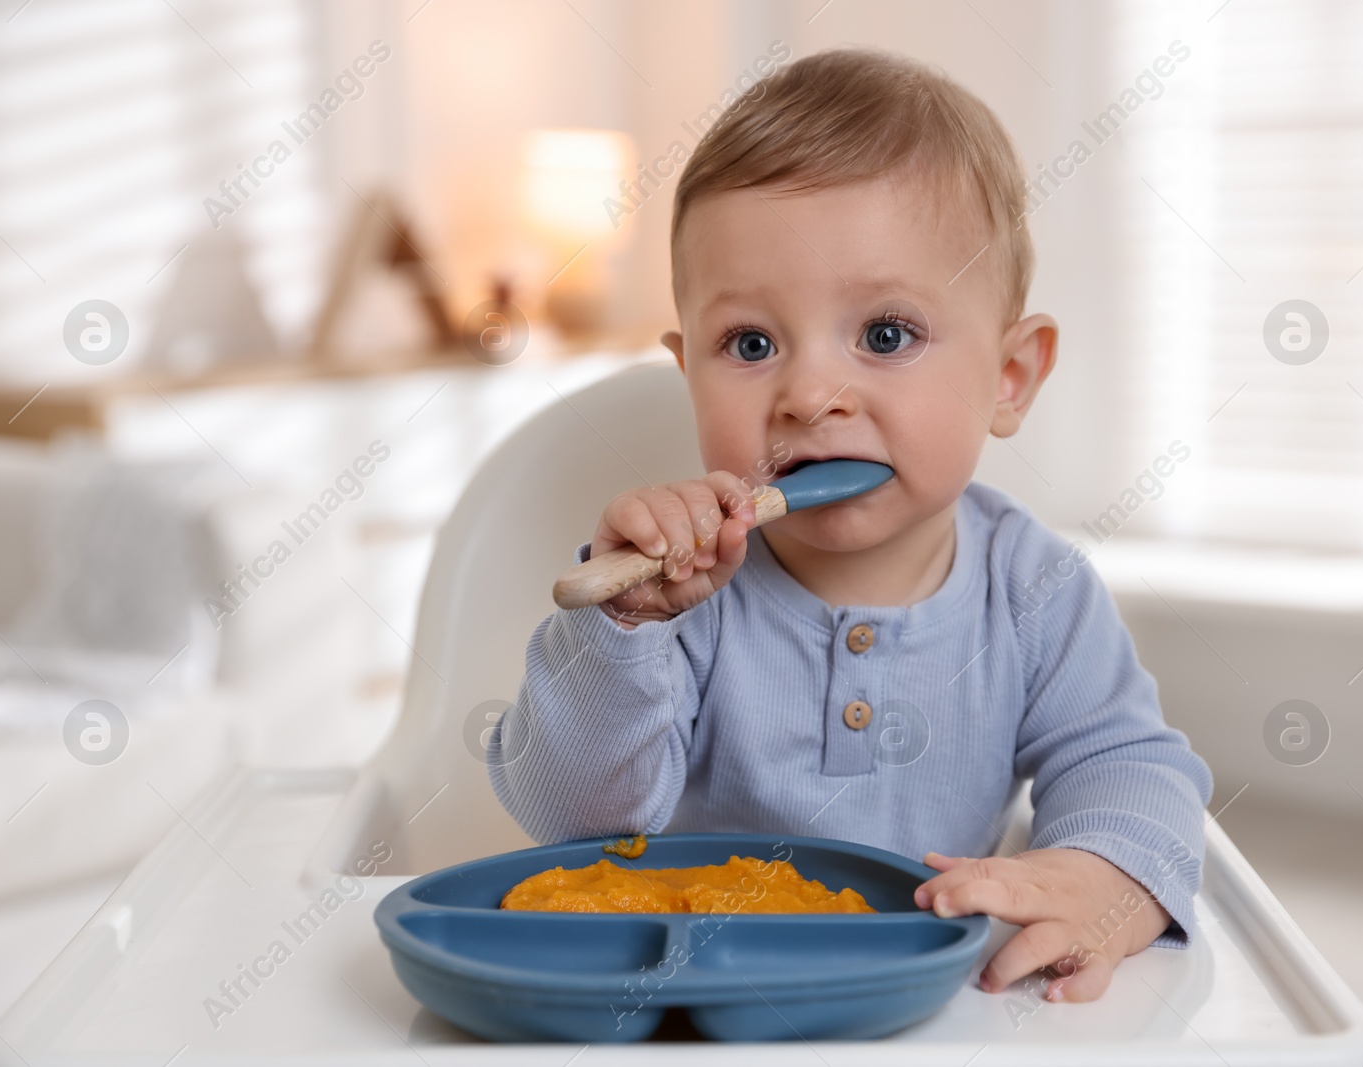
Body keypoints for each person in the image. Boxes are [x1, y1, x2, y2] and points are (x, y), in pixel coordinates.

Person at [489, 47, 1213, 1005]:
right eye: (751, 344)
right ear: (688, 372)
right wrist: (623, 627)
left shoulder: (1036, 591)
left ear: (1009, 377)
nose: (810, 395)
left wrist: (1098, 875)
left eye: (885, 334)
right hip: (687, 995)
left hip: (942, 1004)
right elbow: (566, 821)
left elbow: (1131, 765)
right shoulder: (679, 589)